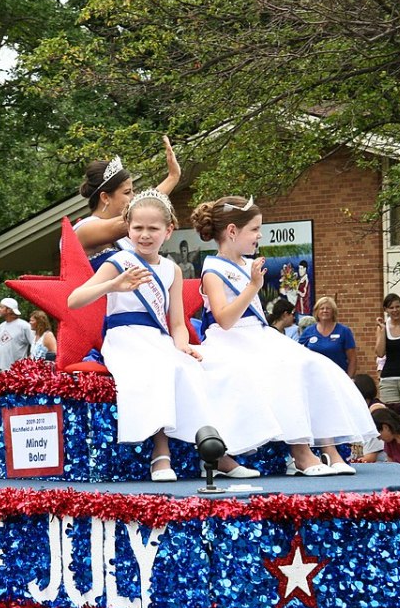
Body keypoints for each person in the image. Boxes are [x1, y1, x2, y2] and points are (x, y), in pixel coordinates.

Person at [69, 190, 261, 481]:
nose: (144, 235)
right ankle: (161, 454)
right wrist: (113, 286)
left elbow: (177, 323)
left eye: (153, 229)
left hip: (158, 339)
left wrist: (183, 346)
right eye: (138, 228)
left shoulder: (172, 269)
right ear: (128, 228)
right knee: (159, 368)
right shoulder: (119, 261)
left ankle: (215, 452)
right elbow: (75, 300)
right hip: (125, 339)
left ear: (168, 230)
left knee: (194, 368)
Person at [192, 196, 376, 477]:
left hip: (259, 336)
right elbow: (225, 319)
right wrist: (254, 286)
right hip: (230, 339)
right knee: (282, 369)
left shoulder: (247, 263)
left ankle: (329, 450)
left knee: (313, 364)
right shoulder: (213, 269)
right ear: (232, 231)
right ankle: (300, 454)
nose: (259, 235)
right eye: (254, 229)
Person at [73, 139, 182, 270]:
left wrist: (173, 177)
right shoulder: (85, 229)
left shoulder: (128, 233)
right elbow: (139, 215)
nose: (133, 197)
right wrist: (172, 178)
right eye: (127, 192)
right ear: (105, 197)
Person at [298, 297, 357, 378]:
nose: (325, 311)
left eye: (328, 308)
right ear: (317, 312)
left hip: (338, 378)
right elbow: (299, 354)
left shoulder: (344, 331)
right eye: (322, 308)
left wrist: (349, 379)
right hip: (314, 377)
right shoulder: (308, 331)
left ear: (333, 312)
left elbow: (352, 359)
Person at [0, 298, 33, 372]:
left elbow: (35, 346)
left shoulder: (24, 326)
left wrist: (27, 365)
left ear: (9, 310)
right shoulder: (1, 326)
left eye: (1, 307)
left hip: (17, 373)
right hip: (0, 373)